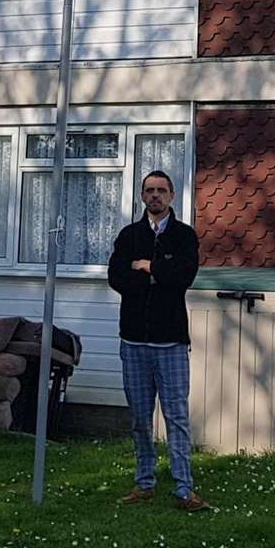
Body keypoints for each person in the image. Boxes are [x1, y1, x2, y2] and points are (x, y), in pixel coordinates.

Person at [107, 169, 208, 512]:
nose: (155, 196)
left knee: (176, 417)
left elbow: (184, 277)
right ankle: (144, 483)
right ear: (141, 196)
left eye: (161, 190)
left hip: (171, 343)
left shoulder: (183, 236)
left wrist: (149, 267)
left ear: (172, 196)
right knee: (139, 417)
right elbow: (117, 278)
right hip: (133, 342)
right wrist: (150, 277)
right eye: (149, 190)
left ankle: (184, 489)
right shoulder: (129, 235)